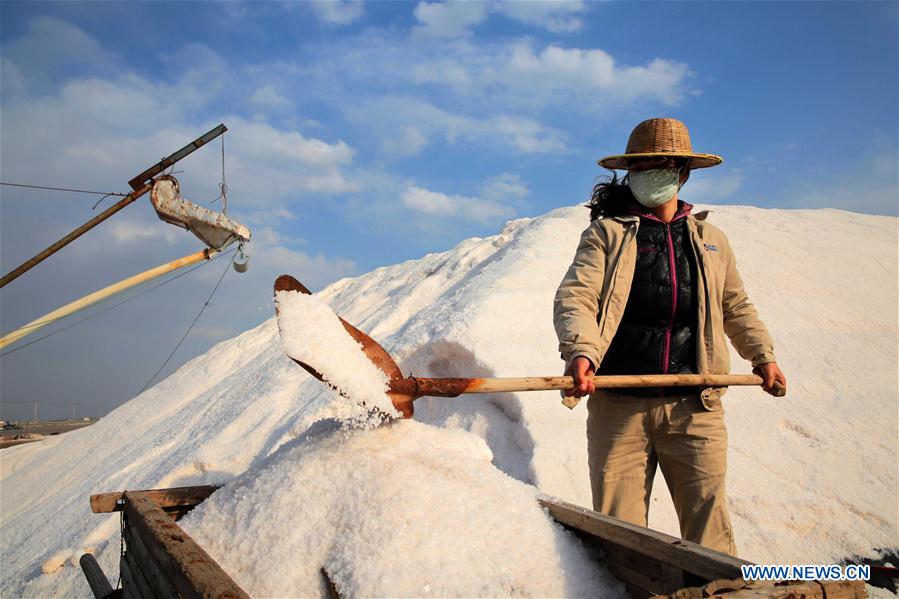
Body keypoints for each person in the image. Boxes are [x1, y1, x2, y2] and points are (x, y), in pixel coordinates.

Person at [553, 117, 786, 555]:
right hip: (620, 403)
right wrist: (581, 352)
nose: (645, 176)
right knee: (620, 534)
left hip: (694, 402)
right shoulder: (608, 234)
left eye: (657, 166)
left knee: (709, 532)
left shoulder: (710, 240)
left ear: (681, 172)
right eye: (637, 168)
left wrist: (762, 355)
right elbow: (577, 295)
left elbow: (735, 305)